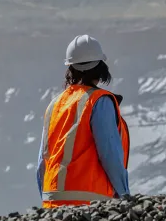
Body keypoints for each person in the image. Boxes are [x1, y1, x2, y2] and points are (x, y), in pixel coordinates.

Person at [37, 34, 130, 208]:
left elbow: (42, 162)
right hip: (90, 201)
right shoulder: (99, 101)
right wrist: (124, 194)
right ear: (101, 68)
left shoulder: (55, 105)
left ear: (70, 68)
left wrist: (47, 199)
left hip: (52, 201)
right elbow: (109, 153)